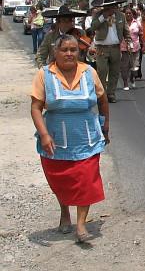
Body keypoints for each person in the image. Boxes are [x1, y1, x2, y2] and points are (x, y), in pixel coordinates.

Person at [30, 34, 110, 243]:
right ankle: (64, 212)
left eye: (73, 50)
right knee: (60, 180)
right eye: (64, 49)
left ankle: (81, 224)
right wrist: (44, 135)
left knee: (86, 180)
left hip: (87, 137)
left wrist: (105, 125)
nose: (69, 53)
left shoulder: (89, 72)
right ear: (55, 52)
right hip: (55, 138)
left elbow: (102, 100)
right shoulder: (44, 74)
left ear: (79, 52)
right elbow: (36, 107)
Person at [90, 0, 132, 103]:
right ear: (104, 7)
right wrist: (103, 16)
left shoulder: (120, 16)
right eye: (108, 7)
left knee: (114, 72)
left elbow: (126, 30)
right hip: (101, 47)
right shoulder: (98, 15)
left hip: (115, 47)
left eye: (113, 6)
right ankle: (101, 94)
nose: (111, 9)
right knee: (102, 71)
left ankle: (111, 94)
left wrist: (128, 41)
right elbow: (93, 26)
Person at [120, 8, 142, 91]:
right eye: (126, 13)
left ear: (133, 14)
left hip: (135, 47)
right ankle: (125, 83)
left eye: (130, 13)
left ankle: (132, 78)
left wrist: (143, 46)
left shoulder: (137, 23)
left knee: (135, 66)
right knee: (124, 66)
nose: (128, 15)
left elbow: (141, 34)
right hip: (124, 47)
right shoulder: (121, 23)